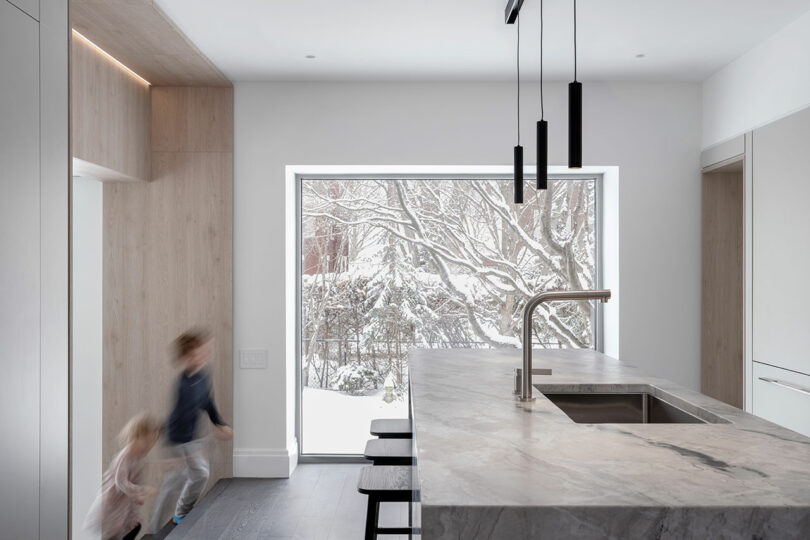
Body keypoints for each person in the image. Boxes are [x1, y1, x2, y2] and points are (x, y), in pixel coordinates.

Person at [150, 328, 233, 533]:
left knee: (193, 475)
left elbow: (207, 402)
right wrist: (180, 450)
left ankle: (180, 514)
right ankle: (155, 528)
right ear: (186, 357)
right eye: (197, 353)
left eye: (204, 351)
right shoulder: (182, 384)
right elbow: (179, 415)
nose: (203, 355)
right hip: (178, 437)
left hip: (191, 438)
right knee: (178, 481)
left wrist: (219, 423)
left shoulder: (203, 377)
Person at [85, 412, 161, 540]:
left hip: (126, 504)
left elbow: (134, 484)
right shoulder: (124, 457)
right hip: (113, 503)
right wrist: (142, 490)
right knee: (113, 533)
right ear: (136, 437)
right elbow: (121, 483)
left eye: (152, 444)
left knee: (134, 526)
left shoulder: (139, 458)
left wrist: (137, 497)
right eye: (146, 442)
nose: (148, 447)